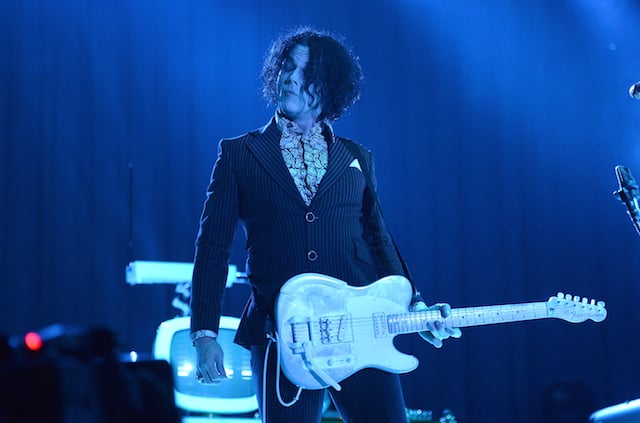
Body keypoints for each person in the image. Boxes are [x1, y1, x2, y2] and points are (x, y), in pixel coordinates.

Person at [189, 27, 461, 423]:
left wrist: (415, 306)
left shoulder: (355, 156)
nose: (291, 77)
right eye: (287, 66)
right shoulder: (239, 153)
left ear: (329, 88)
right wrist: (204, 333)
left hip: (359, 328)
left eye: (306, 72)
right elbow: (212, 248)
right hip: (284, 333)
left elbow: (379, 240)